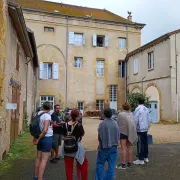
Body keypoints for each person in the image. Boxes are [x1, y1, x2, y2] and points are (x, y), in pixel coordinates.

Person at [61, 108, 88, 180]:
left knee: (68, 167)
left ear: (70, 115)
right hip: (77, 147)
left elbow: (62, 137)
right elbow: (82, 134)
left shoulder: (65, 125)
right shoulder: (78, 125)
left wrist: (68, 137)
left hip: (67, 147)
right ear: (78, 115)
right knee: (83, 164)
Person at [95, 108, 120, 180]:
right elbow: (118, 135)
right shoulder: (115, 123)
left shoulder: (102, 124)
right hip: (113, 147)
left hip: (104, 147)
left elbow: (99, 137)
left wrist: (101, 145)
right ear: (111, 114)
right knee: (111, 166)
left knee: (100, 164)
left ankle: (100, 178)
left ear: (104, 114)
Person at [33, 102, 53, 180]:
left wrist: (37, 138)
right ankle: (40, 178)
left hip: (39, 137)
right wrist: (38, 139)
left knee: (38, 158)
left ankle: (36, 176)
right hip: (46, 138)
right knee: (44, 160)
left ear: (43, 107)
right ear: (50, 108)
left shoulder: (39, 114)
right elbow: (45, 130)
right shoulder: (47, 116)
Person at [116, 103, 137, 169]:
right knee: (129, 147)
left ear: (123, 107)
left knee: (123, 148)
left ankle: (123, 164)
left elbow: (118, 123)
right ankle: (130, 163)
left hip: (123, 132)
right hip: (130, 132)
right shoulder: (131, 114)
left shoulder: (120, 114)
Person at [133, 97, 151, 165]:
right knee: (145, 143)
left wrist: (134, 127)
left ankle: (141, 159)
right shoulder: (146, 109)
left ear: (137, 101)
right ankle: (146, 157)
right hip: (145, 128)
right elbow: (149, 119)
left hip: (140, 128)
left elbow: (135, 119)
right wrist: (148, 126)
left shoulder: (138, 109)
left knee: (140, 144)